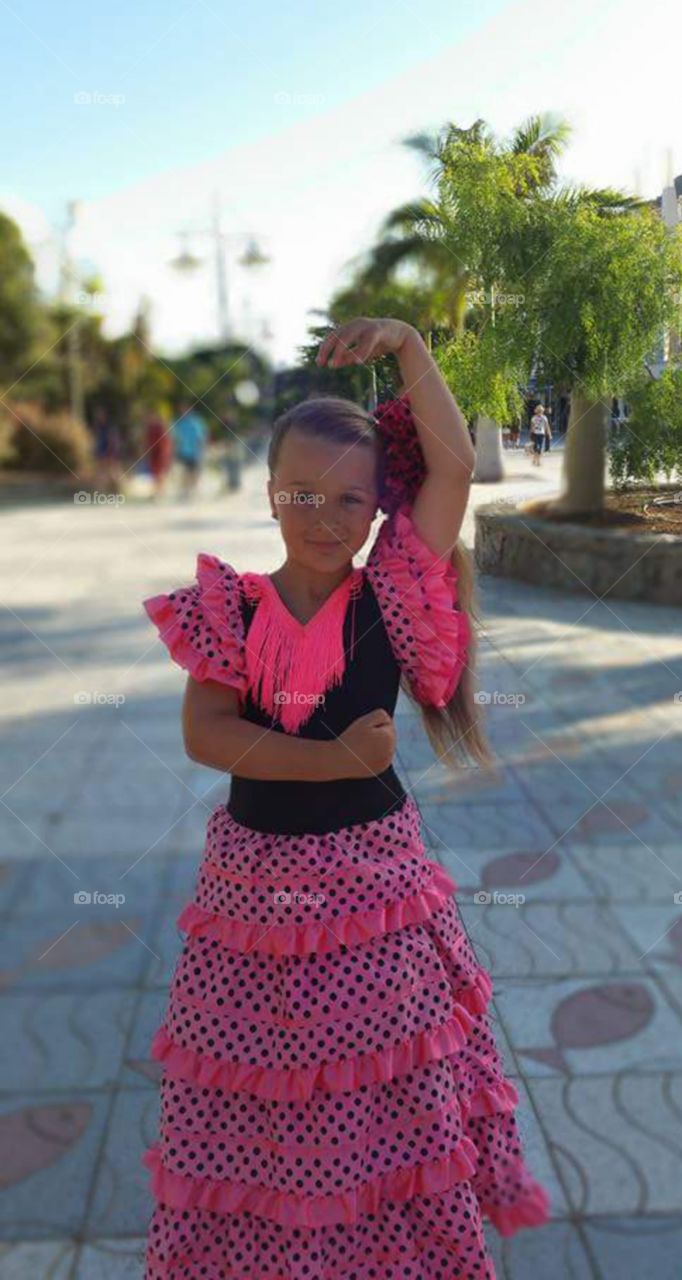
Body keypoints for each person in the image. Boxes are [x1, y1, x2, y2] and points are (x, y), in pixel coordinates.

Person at [141, 317, 550, 1279]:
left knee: (381, 1074)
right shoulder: (228, 607)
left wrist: (410, 347)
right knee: (252, 1081)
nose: (323, 518)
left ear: (378, 513)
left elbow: (451, 471)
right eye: (301, 495)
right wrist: (330, 760)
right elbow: (208, 735)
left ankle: (380, 1248)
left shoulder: (391, 591)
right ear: (271, 494)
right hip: (250, 889)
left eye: (349, 501)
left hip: (374, 887)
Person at [172, 400, 207, 498]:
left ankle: (192, 490)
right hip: (183, 452)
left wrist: (202, 450)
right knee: (184, 473)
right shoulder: (179, 423)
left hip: (194, 452)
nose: (183, 412)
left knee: (194, 473)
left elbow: (200, 437)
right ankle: (185, 491)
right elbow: (175, 437)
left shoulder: (195, 422)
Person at [144, 411, 174, 499]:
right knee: (155, 474)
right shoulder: (150, 429)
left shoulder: (161, 428)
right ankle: (157, 491)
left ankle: (160, 492)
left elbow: (166, 443)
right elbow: (147, 442)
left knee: (160, 474)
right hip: (154, 453)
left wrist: (165, 454)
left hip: (161, 453)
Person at [529, 402, 551, 466]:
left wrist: (549, 434)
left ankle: (536, 460)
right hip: (539, 434)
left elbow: (546, 426)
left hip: (539, 434)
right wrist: (549, 434)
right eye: (539, 411)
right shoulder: (543, 418)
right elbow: (547, 426)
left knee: (538, 448)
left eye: (540, 411)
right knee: (538, 448)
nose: (540, 412)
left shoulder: (535, 418)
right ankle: (537, 461)